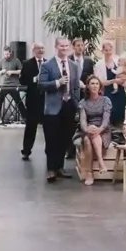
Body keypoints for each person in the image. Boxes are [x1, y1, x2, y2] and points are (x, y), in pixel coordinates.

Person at [39, 37, 79, 182]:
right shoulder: (47, 65)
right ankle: (51, 169)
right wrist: (58, 82)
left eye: (66, 46)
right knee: (51, 139)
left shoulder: (74, 65)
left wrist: (76, 105)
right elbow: (41, 85)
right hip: (53, 108)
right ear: (56, 47)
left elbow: (75, 87)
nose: (64, 48)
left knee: (65, 138)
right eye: (61, 46)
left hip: (69, 106)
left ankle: (60, 167)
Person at [77, 76, 112, 185]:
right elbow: (83, 121)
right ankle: (94, 169)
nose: (95, 86)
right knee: (87, 139)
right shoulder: (83, 102)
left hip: (104, 130)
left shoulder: (106, 100)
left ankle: (90, 173)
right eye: (92, 83)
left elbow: (106, 119)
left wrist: (99, 129)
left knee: (92, 137)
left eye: (97, 83)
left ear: (100, 87)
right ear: (87, 86)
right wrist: (87, 129)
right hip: (88, 129)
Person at [20, 42, 45, 160]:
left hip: (47, 101)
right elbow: (22, 81)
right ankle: (26, 150)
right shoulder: (27, 64)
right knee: (31, 127)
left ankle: (50, 151)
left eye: (42, 48)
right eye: (38, 48)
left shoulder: (49, 63)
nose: (40, 50)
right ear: (33, 50)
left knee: (49, 128)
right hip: (33, 100)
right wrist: (35, 79)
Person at [97, 41, 126, 129]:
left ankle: (119, 137)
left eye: (110, 50)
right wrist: (113, 81)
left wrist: (123, 80)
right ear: (102, 51)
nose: (109, 52)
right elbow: (99, 81)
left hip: (120, 93)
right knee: (108, 116)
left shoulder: (118, 61)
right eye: (106, 50)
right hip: (107, 93)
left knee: (119, 117)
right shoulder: (99, 65)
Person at [0, 45, 26, 123]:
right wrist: (2, 71)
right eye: (5, 54)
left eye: (7, 54)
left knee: (18, 101)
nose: (6, 56)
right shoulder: (2, 61)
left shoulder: (16, 60)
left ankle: (25, 117)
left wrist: (12, 72)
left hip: (14, 85)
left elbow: (21, 71)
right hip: (5, 85)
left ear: (10, 53)